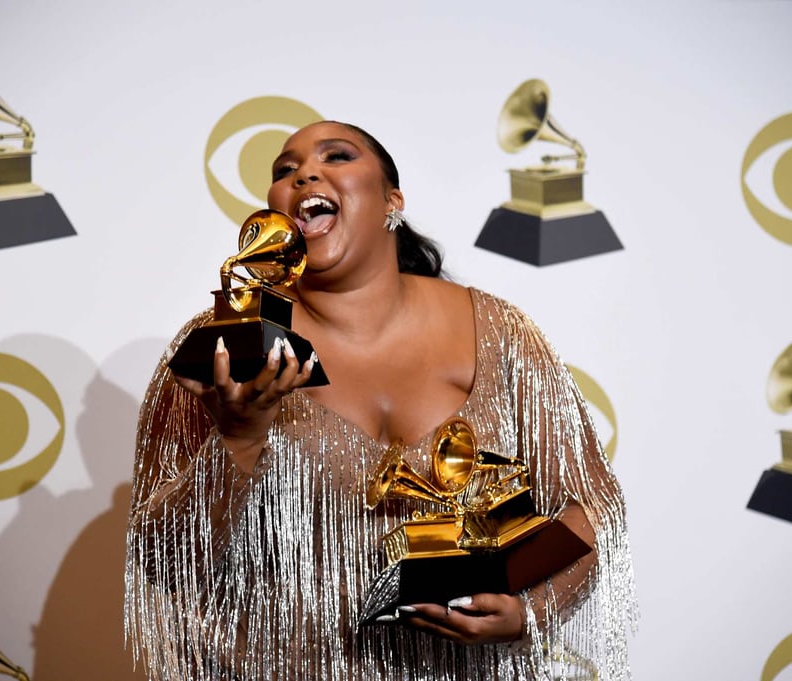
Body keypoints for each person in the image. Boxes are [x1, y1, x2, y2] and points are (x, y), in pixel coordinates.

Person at [125, 121, 637, 680]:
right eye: (284, 170)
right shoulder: (226, 345)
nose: (305, 175)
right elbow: (159, 556)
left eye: (336, 156)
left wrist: (528, 613)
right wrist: (240, 441)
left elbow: (593, 509)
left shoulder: (502, 331)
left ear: (392, 199)